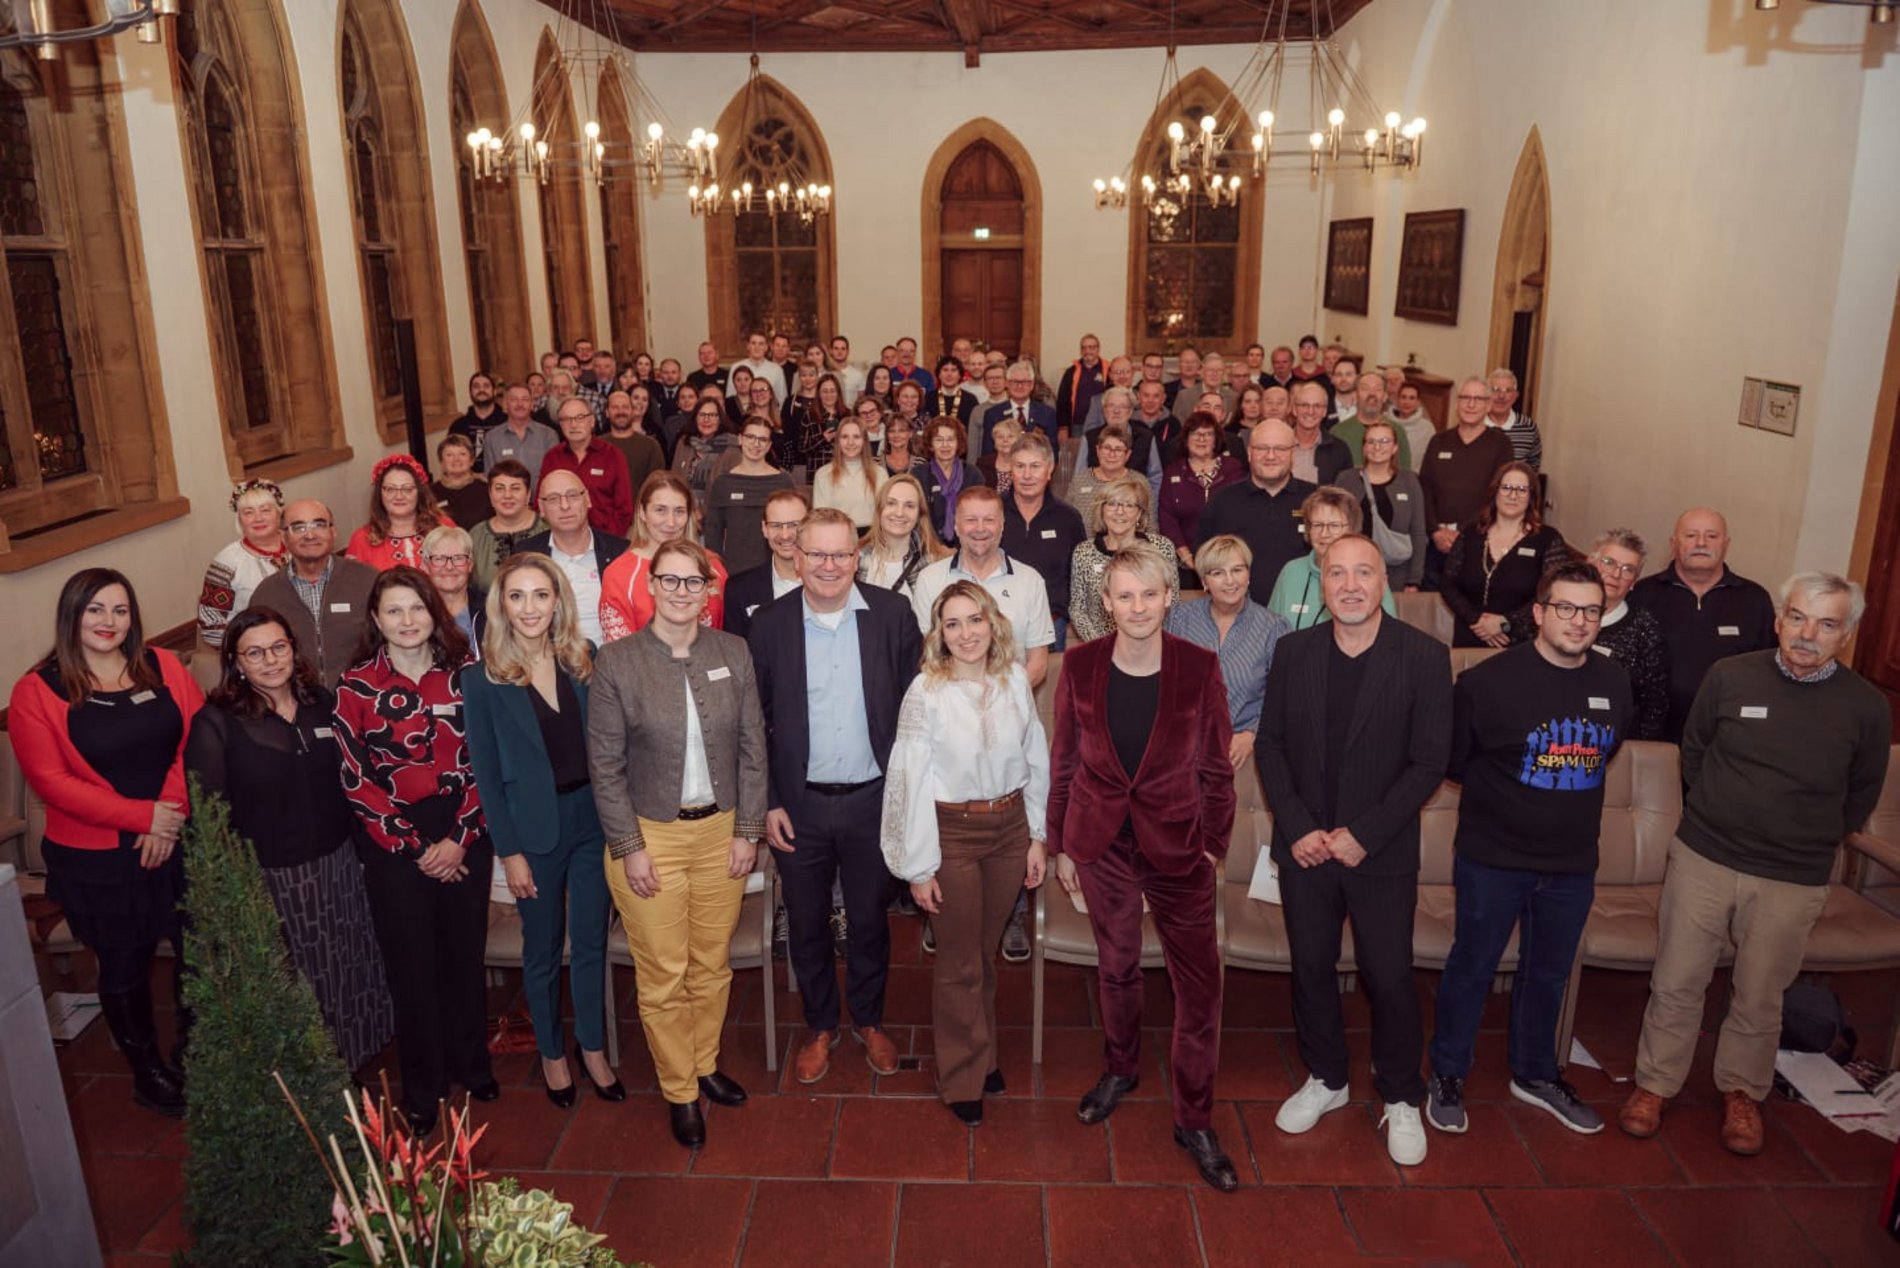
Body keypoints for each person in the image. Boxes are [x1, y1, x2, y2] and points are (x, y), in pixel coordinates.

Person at [1619, 573, 1888, 1157]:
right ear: (1779, 618)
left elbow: (1860, 794)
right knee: (1676, 980)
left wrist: (1807, 835)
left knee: (1761, 992)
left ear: (1848, 633)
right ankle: (1654, 1084)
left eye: (1827, 623)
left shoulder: (1866, 707)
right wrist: (1721, 816)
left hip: (1793, 875)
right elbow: (1694, 754)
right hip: (1706, 858)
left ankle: (1741, 1092)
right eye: (1798, 617)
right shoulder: (1731, 677)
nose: (1808, 634)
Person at [1046, 549, 1239, 1192]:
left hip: (1181, 846)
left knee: (1199, 986)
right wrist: (1064, 846)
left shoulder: (1199, 667)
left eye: (1148, 596)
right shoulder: (1077, 666)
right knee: (1118, 966)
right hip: (1102, 844)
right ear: (1106, 603)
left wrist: (1213, 843)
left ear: (1168, 599)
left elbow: (1215, 766)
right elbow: (1065, 765)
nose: (1136, 608)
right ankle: (1121, 1067)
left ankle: (1194, 1116)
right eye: (1124, 597)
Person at [1256, 534, 1452, 1168]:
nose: (1349, 585)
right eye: (1336, 572)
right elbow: (1272, 747)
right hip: (1306, 846)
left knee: (1389, 975)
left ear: (1383, 581)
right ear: (1321, 578)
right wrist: (1298, 826)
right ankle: (1328, 1079)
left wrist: (1364, 833)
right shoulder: (1293, 652)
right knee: (1311, 967)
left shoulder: (1424, 657)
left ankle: (1400, 1093)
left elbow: (1429, 763)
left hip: (1381, 850)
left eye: (1362, 572)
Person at [1426, 561, 1634, 1140]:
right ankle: (1447, 1073)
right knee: (1472, 967)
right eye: (1565, 608)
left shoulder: (1614, 683)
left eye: (1591, 611)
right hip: (1493, 857)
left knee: (1547, 973)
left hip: (1570, 863)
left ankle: (1536, 1074)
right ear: (1539, 613)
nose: (1579, 621)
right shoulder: (1485, 684)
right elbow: (1455, 761)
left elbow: (1607, 748)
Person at [589, 539, 766, 1147]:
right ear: (652, 585)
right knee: (664, 972)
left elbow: (752, 750)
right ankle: (680, 1090)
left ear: (708, 590)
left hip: (722, 835)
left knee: (711, 966)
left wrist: (749, 832)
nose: (683, 593)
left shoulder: (732, 652)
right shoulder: (616, 662)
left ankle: (706, 1063)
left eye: (695, 583)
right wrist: (628, 846)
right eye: (671, 581)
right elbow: (605, 769)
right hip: (650, 838)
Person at [10, 570, 204, 1118]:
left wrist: (167, 817)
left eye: (119, 610)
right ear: (72, 615)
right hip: (100, 857)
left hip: (177, 834)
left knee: (196, 948)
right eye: (95, 610)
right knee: (124, 962)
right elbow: (52, 783)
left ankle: (194, 1049)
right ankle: (147, 1070)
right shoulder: (36, 691)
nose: (108, 622)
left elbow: (194, 739)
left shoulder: (164, 666)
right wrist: (142, 818)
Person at [749, 510, 922, 1086]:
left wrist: (909, 795)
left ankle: (869, 1020)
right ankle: (821, 1024)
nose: (828, 566)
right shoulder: (770, 623)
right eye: (817, 554)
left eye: (840, 555)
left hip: (874, 799)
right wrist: (770, 799)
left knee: (872, 918)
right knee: (806, 921)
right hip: (799, 806)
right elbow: (757, 722)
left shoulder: (893, 615)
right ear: (796, 556)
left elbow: (916, 706)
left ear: (858, 557)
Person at [184, 607, 393, 1077]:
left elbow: (354, 780)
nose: (270, 660)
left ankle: (357, 1057)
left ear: (293, 650)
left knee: (350, 966)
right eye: (254, 653)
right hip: (273, 878)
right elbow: (208, 818)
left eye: (278, 647)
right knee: (300, 979)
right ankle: (315, 1076)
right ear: (236, 662)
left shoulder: (322, 701)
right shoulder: (216, 723)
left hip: (339, 864)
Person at [334, 566, 496, 1136]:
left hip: (463, 830)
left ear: (435, 613)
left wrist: (458, 839)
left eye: (417, 609)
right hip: (394, 842)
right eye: (394, 611)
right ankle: (423, 1086)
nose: (407, 621)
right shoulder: (355, 687)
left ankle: (471, 1063)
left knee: (462, 952)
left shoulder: (469, 677)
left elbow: (488, 762)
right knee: (412, 965)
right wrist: (416, 847)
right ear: (377, 620)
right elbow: (355, 780)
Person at [882, 582, 1049, 1126]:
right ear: (939, 634)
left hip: (1008, 829)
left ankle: (983, 1053)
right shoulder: (926, 692)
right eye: (952, 624)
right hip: (951, 831)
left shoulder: (1014, 683)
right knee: (957, 961)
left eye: (974, 620)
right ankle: (960, 1078)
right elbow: (908, 778)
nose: (966, 633)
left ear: (993, 623)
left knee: (984, 951)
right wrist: (918, 865)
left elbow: (1036, 758)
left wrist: (1038, 836)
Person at [462, 554, 620, 1112]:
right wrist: (510, 852)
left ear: (558, 602)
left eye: (540, 595)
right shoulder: (479, 681)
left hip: (591, 821)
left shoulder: (584, 659)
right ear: (501, 606)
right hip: (533, 832)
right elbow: (485, 774)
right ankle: (553, 1052)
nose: (530, 608)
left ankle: (593, 1047)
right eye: (517, 596)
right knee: (544, 945)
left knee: (592, 939)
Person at [1628, 507, 1777, 742]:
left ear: (1726, 544)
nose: (1701, 543)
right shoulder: (1642, 595)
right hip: (1653, 738)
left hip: (1726, 739)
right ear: (1674, 543)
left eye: (1711, 536)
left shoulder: (1754, 599)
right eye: (1690, 535)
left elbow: (1767, 673)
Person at [911, 486, 1057, 690]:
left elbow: (1038, 662)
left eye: (989, 520)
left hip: (1010, 708)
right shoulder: (930, 579)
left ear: (1002, 525)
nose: (980, 528)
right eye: (971, 520)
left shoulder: (1030, 581)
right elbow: (926, 654)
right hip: (951, 708)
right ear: (956, 525)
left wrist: (1004, 701)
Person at [1165, 535, 1287, 769]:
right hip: (1183, 750)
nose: (1230, 581)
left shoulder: (1273, 627)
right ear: (1204, 580)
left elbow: (1282, 695)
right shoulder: (1179, 618)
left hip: (1242, 752)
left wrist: (1252, 733)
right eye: (1217, 572)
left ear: (1249, 574)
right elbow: (1165, 680)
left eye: (1237, 570)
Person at [250, 499, 381, 688]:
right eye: (299, 527)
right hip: (298, 704)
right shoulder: (267, 594)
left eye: (319, 525)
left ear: (333, 531)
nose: (310, 535)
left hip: (364, 698)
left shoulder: (368, 580)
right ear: (282, 537)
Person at [1441, 461, 1572, 648]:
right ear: (1495, 492)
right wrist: (1477, 620)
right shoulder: (1470, 534)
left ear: (1532, 496)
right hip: (1470, 635)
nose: (1513, 495)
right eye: (1507, 488)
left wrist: (1505, 623)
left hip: (1521, 643)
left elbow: (1554, 592)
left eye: (1521, 489)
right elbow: (1448, 584)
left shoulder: (1548, 540)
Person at [1196, 419, 1317, 606]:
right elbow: (1205, 560)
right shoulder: (1223, 501)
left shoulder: (1316, 500)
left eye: (1280, 449)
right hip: (1238, 616)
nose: (1271, 456)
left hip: (1304, 613)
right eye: (1262, 448)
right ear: (1250, 453)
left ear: (1293, 454)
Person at [600, 472, 727, 640]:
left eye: (679, 511)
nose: (671, 522)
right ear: (642, 513)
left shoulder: (712, 567)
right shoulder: (619, 575)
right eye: (660, 510)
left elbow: (725, 640)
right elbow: (621, 655)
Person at [1419, 377, 1515, 591]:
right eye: (1465, 398)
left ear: (1489, 405)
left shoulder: (1501, 445)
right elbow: (1424, 488)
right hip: (1435, 546)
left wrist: (1462, 533)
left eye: (1478, 399)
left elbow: (1498, 495)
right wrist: (1435, 531)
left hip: (1477, 544)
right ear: (1456, 403)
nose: (1471, 404)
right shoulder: (1438, 441)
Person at [517, 470, 629, 647]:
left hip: (610, 661)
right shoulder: (526, 556)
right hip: (548, 663)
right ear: (542, 508)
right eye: (553, 499)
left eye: (573, 495)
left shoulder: (620, 553)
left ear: (588, 500)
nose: (564, 505)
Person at [1267, 486, 1400, 631]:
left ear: (1352, 529)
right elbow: (1271, 630)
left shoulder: (1367, 573)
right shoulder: (1291, 572)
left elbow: (1388, 634)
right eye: (1317, 525)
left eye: (1334, 525)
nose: (1324, 533)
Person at [1067, 473, 1179, 644]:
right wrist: (1101, 645)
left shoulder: (1161, 548)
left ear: (1139, 513)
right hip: (1101, 646)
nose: (1120, 512)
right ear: (1102, 510)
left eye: (1128, 505)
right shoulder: (1083, 552)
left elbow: (1173, 602)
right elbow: (1078, 609)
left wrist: (1154, 641)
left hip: (1153, 644)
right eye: (1112, 504)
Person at [1001, 431, 1087, 652]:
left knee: (1047, 686)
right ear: (1011, 470)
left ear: (1050, 469)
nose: (1027, 475)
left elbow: (1077, 574)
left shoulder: (1068, 518)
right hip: (997, 624)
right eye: (1020, 466)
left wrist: (1067, 615)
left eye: (1035, 466)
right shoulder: (992, 513)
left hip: (1050, 624)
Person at [1587, 528, 1670, 740]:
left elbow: (1654, 706)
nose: (1616, 574)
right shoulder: (1561, 608)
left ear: (1634, 582)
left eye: (1628, 569)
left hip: (1615, 743)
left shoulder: (1645, 628)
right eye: (1609, 562)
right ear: (1590, 564)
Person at [196, 479, 288, 665]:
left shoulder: (298, 546)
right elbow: (210, 624)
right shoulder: (227, 562)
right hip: (256, 656)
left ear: (279, 514)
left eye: (265, 510)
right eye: (248, 512)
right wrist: (249, 650)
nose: (258, 518)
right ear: (239, 519)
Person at [1334, 421, 1428, 591]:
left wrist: (1414, 580)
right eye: (1371, 441)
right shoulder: (1346, 479)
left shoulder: (1409, 481)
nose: (1377, 447)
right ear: (1363, 448)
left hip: (1396, 575)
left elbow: (1418, 532)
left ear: (1395, 447)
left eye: (1384, 441)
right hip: (1351, 572)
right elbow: (1335, 527)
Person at [1158, 412, 1245, 586]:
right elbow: (1167, 518)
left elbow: (1243, 512)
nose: (1201, 439)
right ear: (1186, 438)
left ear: (1216, 439)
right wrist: (1187, 557)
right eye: (1195, 433)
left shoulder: (1234, 469)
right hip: (1185, 565)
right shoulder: (1173, 471)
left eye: (1208, 434)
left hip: (1229, 561)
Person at [704, 417, 796, 577]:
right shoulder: (723, 483)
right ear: (740, 439)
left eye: (762, 439)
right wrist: (717, 572)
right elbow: (713, 535)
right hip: (734, 571)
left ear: (769, 445)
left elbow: (798, 528)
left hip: (777, 571)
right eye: (750, 437)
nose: (756, 444)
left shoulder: (783, 481)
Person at [723, 487, 807, 642]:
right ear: (764, 529)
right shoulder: (739, 590)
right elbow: (734, 654)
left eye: (794, 525)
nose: (785, 534)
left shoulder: (830, 584)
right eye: (776, 525)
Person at [540, 396, 633, 536]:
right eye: (566, 419)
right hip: (560, 539)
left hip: (605, 539)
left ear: (592, 421)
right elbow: (541, 504)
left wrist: (606, 541)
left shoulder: (613, 456)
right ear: (560, 425)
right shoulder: (552, 458)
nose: (573, 424)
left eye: (580, 417)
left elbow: (624, 509)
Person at [346, 454, 454, 572]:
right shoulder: (362, 539)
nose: (399, 496)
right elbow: (354, 586)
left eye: (407, 489)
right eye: (390, 489)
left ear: (419, 493)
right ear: (380, 494)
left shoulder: (443, 527)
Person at [859, 472, 950, 603]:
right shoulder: (856, 558)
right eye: (891, 503)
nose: (899, 513)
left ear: (920, 514)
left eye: (909, 506)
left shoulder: (935, 564)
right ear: (879, 509)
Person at [468, 460, 546, 593]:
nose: (507, 495)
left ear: (528, 495)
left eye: (515, 488)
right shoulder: (475, 536)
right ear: (490, 495)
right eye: (499, 488)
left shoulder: (548, 530)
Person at [922, 416, 987, 546]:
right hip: (928, 547)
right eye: (939, 440)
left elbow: (981, 514)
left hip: (968, 545)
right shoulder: (919, 474)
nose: (945, 445)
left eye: (950, 439)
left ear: (959, 443)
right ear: (930, 445)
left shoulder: (973, 474)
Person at [481, 384, 561, 485]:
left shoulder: (549, 435)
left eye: (525, 399)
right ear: (505, 404)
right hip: (507, 500)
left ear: (532, 404)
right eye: (514, 399)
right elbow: (491, 478)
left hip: (542, 499)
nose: (520, 404)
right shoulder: (492, 438)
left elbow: (556, 475)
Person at [812, 417, 881, 531]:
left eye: (856, 437)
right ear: (838, 441)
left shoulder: (879, 473)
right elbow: (820, 517)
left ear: (864, 441)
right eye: (845, 437)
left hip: (872, 537)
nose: (850, 442)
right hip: (836, 536)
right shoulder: (823, 474)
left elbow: (884, 513)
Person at [422, 525, 484, 654]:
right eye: (439, 559)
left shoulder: (491, 609)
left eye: (458, 558)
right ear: (425, 566)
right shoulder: (415, 613)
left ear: (470, 565)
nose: (449, 566)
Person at [978, 360, 1059, 455]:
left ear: (1032, 385)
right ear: (1007, 384)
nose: (1020, 386)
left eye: (1024, 382)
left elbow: (1052, 451)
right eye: (1015, 382)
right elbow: (988, 451)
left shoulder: (1047, 413)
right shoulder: (992, 414)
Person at [672, 398, 738, 498]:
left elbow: (734, 489)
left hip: (717, 510)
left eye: (712, 415)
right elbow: (674, 480)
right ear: (695, 418)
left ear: (720, 419)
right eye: (702, 415)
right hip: (685, 508)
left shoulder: (732, 449)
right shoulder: (684, 443)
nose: (706, 419)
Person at [1485, 368, 1544, 470]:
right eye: (1495, 390)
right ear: (1485, 394)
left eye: (1508, 391)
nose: (1501, 396)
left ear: (1515, 396)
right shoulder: (1475, 424)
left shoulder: (1528, 427)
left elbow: (1533, 468)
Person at [431, 434, 492, 530]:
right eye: (449, 455)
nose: (456, 459)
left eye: (462, 454)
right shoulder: (431, 493)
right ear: (441, 461)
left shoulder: (487, 488)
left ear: (472, 460)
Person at [795, 373, 849, 475]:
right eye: (824, 391)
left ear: (838, 393)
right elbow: (802, 449)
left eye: (832, 391)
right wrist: (823, 439)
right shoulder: (809, 415)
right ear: (818, 394)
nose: (829, 395)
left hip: (843, 471)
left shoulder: (847, 415)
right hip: (817, 471)